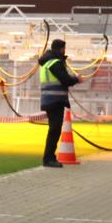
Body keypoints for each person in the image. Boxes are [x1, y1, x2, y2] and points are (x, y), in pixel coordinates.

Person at [38, 39, 83, 168]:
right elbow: (65, 80)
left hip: (50, 100)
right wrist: (76, 79)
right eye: (64, 49)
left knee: (54, 129)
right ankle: (49, 158)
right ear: (61, 49)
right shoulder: (55, 63)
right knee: (54, 130)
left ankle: (49, 157)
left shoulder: (47, 63)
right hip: (55, 101)